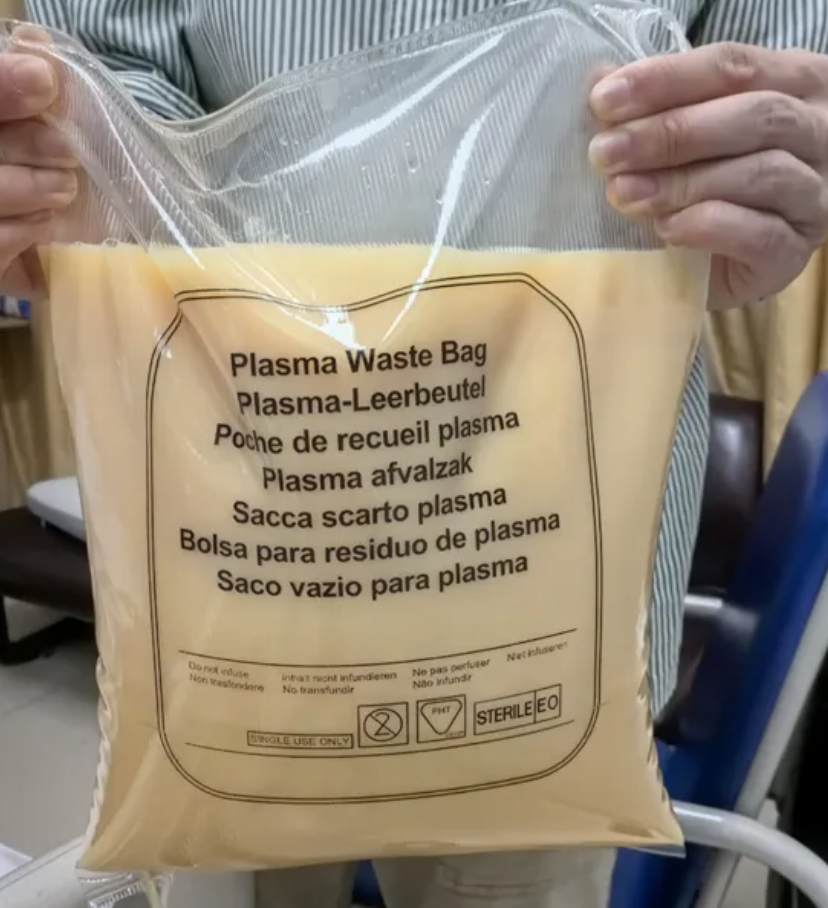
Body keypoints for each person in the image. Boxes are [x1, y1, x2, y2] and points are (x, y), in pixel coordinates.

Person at [2, 1, 827, 906]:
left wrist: (765, 172)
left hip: (544, 627)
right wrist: (58, 170)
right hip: (246, 570)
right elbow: (110, 83)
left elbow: (772, 94)